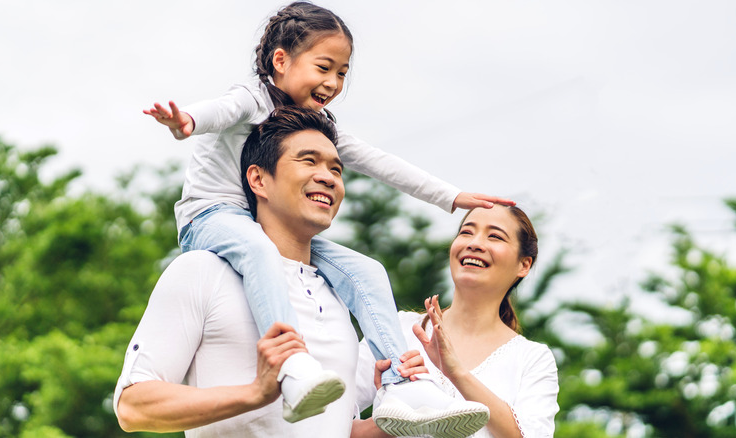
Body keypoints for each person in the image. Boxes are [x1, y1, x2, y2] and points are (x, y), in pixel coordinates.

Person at [142, 0, 510, 428]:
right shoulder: (250, 97)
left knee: (366, 270)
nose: (333, 81)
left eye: (342, 72)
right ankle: (292, 367)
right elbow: (219, 112)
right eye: (324, 67)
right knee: (259, 250)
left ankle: (401, 382)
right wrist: (187, 121)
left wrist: (452, 196)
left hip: (260, 222)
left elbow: (378, 161)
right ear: (280, 61)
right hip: (211, 217)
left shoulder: (315, 125)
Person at [114, 106, 489, 437]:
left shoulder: (341, 294)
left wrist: (400, 421)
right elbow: (133, 407)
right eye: (308, 161)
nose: (328, 177)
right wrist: (255, 393)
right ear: (258, 180)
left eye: (336, 169)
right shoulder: (202, 271)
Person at [353, 206, 560, 438]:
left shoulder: (532, 359)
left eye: (495, 236)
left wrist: (456, 372)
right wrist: (392, 417)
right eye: (466, 232)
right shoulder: (397, 329)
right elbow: (325, 422)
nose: (475, 243)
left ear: (524, 265)